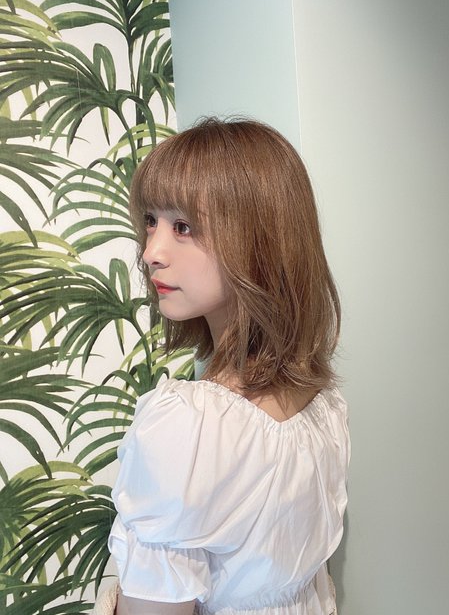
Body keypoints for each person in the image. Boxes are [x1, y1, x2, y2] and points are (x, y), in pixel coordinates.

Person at [94, 117, 350, 615]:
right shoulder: (323, 406)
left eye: (183, 227)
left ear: (259, 240)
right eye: (151, 221)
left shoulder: (188, 427)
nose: (151, 252)